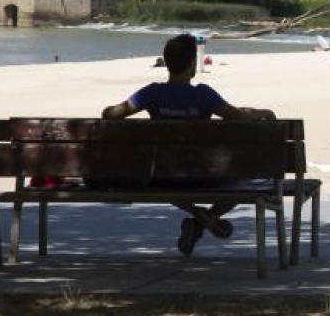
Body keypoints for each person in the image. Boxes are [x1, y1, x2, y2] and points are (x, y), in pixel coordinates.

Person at [101, 33, 275, 256]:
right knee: (245, 179)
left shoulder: (152, 93)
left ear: (167, 62)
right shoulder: (203, 95)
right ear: (193, 64)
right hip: (204, 176)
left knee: (166, 181)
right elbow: (238, 116)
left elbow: (111, 114)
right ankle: (207, 218)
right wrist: (261, 112)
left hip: (162, 177)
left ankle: (197, 216)